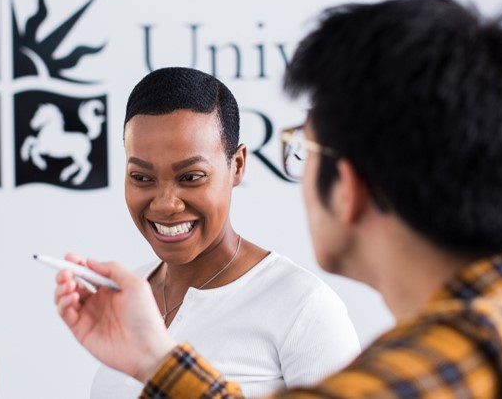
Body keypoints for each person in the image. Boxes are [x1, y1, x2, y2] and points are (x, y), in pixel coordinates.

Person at [54, 0, 502, 398]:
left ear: (347, 186)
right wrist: (156, 358)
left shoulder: (392, 375)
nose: (166, 200)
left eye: (305, 147)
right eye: (143, 175)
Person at [89, 67, 360, 398]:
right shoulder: (131, 292)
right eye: (142, 178)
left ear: (238, 165)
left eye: (191, 177)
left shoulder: (302, 306)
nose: (165, 204)